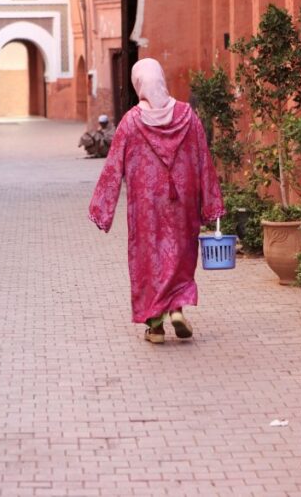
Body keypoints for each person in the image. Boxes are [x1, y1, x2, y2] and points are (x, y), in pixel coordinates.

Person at [88, 58, 224, 343]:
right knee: (179, 252)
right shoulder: (188, 116)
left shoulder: (131, 122)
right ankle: (176, 308)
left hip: (146, 207)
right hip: (182, 203)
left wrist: (103, 208)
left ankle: (156, 326)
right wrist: (211, 203)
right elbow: (203, 160)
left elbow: (114, 166)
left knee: (149, 259)